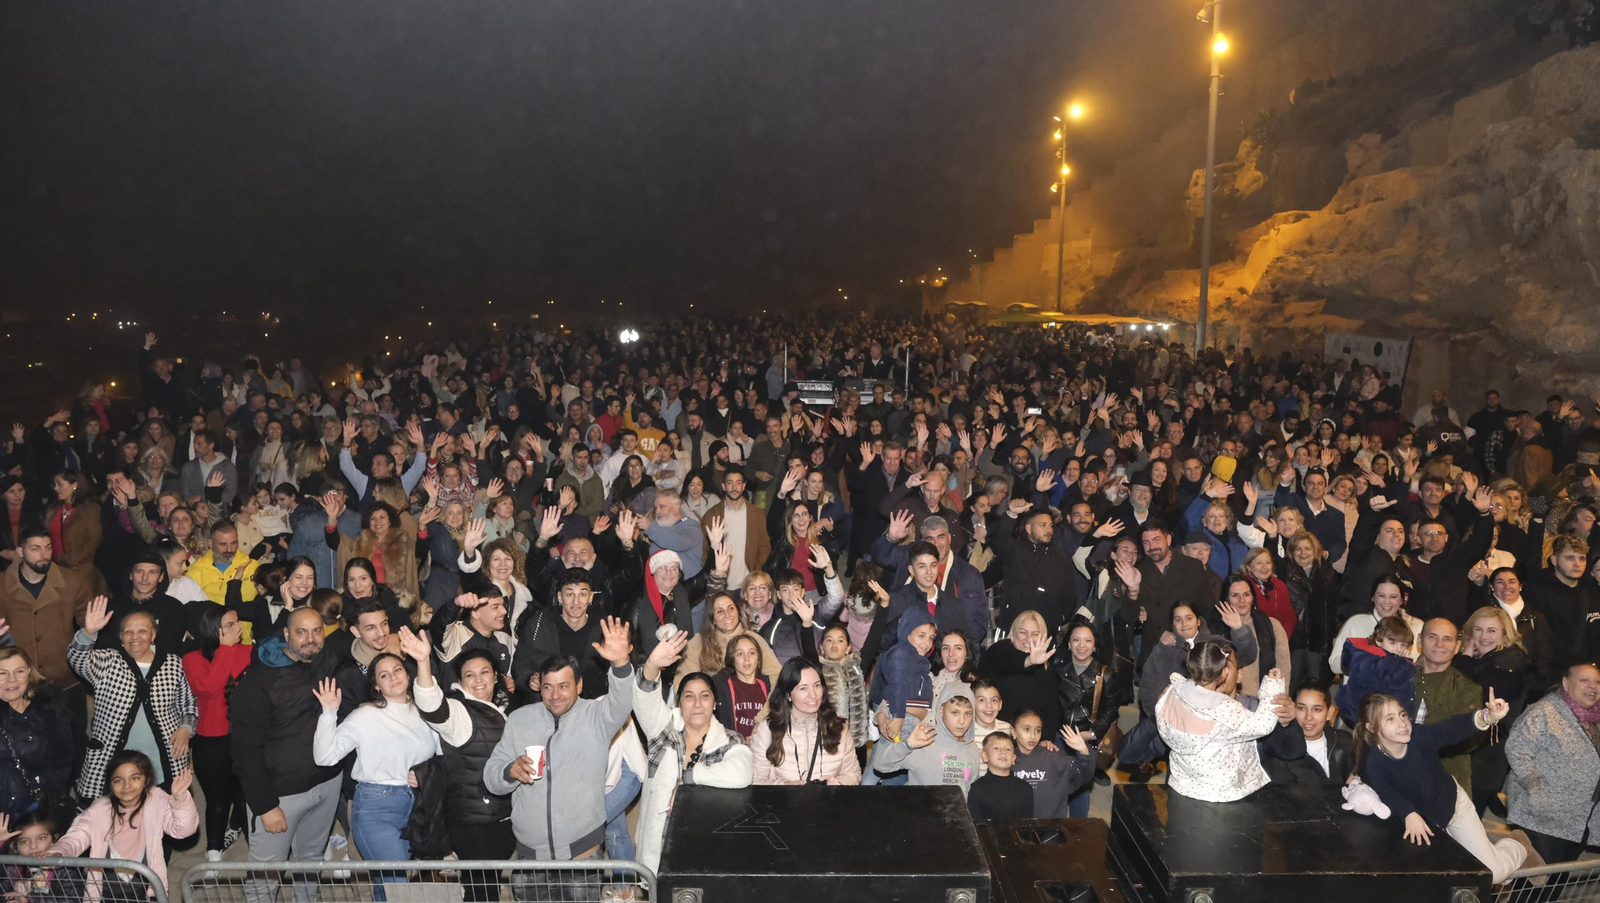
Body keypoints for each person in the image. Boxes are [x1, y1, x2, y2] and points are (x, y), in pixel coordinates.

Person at [483, 617, 635, 887]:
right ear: (539, 687)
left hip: (582, 858)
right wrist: (509, 771)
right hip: (529, 861)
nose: (555, 695)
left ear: (578, 685)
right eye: (547, 687)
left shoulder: (595, 717)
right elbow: (491, 778)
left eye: (563, 686)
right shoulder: (519, 720)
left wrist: (621, 664)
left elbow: (622, 701)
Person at [1355, 689, 1534, 884]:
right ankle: (1503, 863)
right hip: (1426, 823)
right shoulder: (1373, 759)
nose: (1402, 723)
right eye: (1390, 719)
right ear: (1371, 727)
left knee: (1493, 874)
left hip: (1454, 808)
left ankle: (1517, 845)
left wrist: (1487, 716)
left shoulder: (1419, 737)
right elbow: (1384, 790)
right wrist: (1408, 812)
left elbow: (1451, 729)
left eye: (1402, 714)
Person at [229, 607, 345, 903]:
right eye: (301, 632)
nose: (311, 639)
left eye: (317, 631)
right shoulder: (258, 682)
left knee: (311, 862)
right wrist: (265, 805)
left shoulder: (327, 661)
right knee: (266, 874)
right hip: (281, 795)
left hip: (327, 784)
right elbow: (244, 750)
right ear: (286, 635)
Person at [312, 648, 440, 899]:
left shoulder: (427, 711)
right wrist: (328, 713)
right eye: (384, 675)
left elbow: (441, 756)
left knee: (388, 885)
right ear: (377, 686)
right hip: (376, 808)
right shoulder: (365, 715)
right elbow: (325, 757)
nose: (393, 677)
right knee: (397, 882)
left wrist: (425, 774)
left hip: (418, 806)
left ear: (408, 674)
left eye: (397, 670)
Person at [403, 626, 512, 903]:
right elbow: (432, 706)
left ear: (496, 676)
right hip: (474, 824)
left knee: (485, 891)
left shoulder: (502, 709)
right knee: (482, 894)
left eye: (484, 672)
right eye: (469, 675)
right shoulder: (460, 711)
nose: (478, 680)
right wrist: (423, 662)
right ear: (461, 682)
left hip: (500, 819)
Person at [630, 629, 754, 872]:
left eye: (705, 696)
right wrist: (653, 664)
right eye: (689, 697)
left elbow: (742, 774)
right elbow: (644, 698)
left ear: (715, 702)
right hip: (657, 849)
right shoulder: (662, 729)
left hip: (706, 848)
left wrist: (688, 779)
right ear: (678, 702)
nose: (697, 704)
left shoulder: (729, 740)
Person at [70, 598, 196, 799]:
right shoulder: (108, 661)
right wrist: (89, 633)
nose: (134, 637)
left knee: (164, 817)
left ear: (153, 635)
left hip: (163, 758)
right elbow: (77, 659)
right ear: (120, 637)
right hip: (111, 757)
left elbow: (189, 704)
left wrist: (186, 728)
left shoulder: (173, 663)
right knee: (109, 819)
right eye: (128, 631)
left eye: (142, 631)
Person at [45, 752, 197, 901]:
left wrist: (180, 799)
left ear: (146, 779)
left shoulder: (157, 800)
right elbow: (77, 836)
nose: (127, 786)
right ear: (110, 784)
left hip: (146, 892)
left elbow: (183, 830)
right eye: (118, 780)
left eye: (135, 778)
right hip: (105, 893)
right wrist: (59, 851)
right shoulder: (100, 809)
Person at [1155, 638, 1287, 802]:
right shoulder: (1225, 710)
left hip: (1182, 783)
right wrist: (1272, 687)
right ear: (1224, 673)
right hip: (1219, 791)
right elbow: (1264, 725)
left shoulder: (1173, 691)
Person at [1505, 662, 1600, 865]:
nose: (1593, 687)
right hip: (1542, 820)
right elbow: (1516, 749)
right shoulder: (1544, 712)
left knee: (1554, 885)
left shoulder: (1596, 719)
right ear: (1566, 683)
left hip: (1578, 821)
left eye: (1597, 682)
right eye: (1584, 681)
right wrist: (1536, 788)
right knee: (1534, 886)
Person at [182, 606, 253, 862]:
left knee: (247, 800)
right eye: (228, 624)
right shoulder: (193, 658)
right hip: (211, 741)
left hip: (245, 738)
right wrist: (225, 650)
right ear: (214, 629)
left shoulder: (249, 652)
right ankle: (213, 855)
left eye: (237, 622)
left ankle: (258, 855)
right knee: (218, 800)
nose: (236, 628)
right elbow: (207, 688)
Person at [1453, 605, 1531, 815]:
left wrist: (1467, 656)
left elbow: (1461, 692)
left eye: (1492, 631)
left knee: (1466, 817)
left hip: (1486, 753)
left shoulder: (1506, 664)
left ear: (1505, 634)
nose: (1484, 636)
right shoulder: (1489, 658)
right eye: (1478, 629)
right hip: (1478, 749)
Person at [749, 658, 862, 785]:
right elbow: (755, 779)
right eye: (803, 688)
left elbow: (853, 773)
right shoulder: (769, 729)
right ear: (788, 695)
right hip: (784, 803)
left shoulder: (838, 725)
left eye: (817, 685)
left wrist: (838, 783)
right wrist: (784, 786)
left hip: (828, 802)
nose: (813, 695)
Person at [870, 682, 982, 796]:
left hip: (956, 813)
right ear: (941, 711)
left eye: (968, 714)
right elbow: (880, 765)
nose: (962, 721)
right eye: (955, 712)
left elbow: (970, 789)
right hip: (924, 812)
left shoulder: (972, 749)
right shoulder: (925, 741)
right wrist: (907, 745)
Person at [0, 647, 72, 820]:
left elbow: (64, 760)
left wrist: (49, 802)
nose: (12, 679)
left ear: (29, 673)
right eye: (2, 673)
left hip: (41, 810)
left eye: (19, 671)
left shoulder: (50, 709)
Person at [1328, 576, 1423, 675]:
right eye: (1381, 595)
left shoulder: (1416, 626)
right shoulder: (1355, 623)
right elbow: (1334, 664)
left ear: (1402, 600)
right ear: (1373, 597)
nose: (1387, 602)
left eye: (1393, 597)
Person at [1335, 616, 1419, 726]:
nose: (1399, 649)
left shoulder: (1380, 657)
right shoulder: (1370, 660)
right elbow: (1393, 681)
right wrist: (1406, 663)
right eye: (1392, 642)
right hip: (1369, 721)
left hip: (1375, 719)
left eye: (1403, 645)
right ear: (1379, 640)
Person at [1011, 709, 1095, 818]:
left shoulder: (1053, 756)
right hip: (1015, 828)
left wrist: (1083, 750)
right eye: (1026, 729)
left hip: (1050, 829)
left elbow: (1083, 775)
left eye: (1038, 730)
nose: (1033, 736)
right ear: (1013, 732)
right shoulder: (1007, 759)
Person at [1262, 684, 1353, 785]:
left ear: (1329, 713)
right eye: (1301, 708)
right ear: (1291, 710)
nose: (1308, 717)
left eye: (1317, 709)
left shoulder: (1345, 742)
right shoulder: (1279, 750)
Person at [816, 624, 869, 760]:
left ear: (848, 647)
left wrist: (884, 606)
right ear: (821, 647)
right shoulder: (816, 671)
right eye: (829, 640)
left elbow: (873, 640)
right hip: (827, 743)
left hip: (856, 744)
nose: (834, 645)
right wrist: (806, 622)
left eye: (840, 640)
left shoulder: (858, 667)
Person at [967, 733, 1033, 820]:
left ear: (1013, 759)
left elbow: (1027, 826)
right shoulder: (976, 789)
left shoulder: (1025, 788)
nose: (1003, 752)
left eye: (1008, 749)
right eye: (996, 748)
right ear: (984, 756)